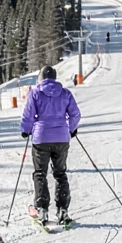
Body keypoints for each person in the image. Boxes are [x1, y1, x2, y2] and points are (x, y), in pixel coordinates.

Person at [20, 66, 81, 226]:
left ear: (40, 78)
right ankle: (62, 210)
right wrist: (71, 129)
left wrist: (26, 130)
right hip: (61, 138)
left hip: (41, 139)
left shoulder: (35, 93)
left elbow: (28, 115)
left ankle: (41, 209)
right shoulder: (65, 93)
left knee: (40, 173)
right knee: (60, 173)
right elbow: (75, 114)